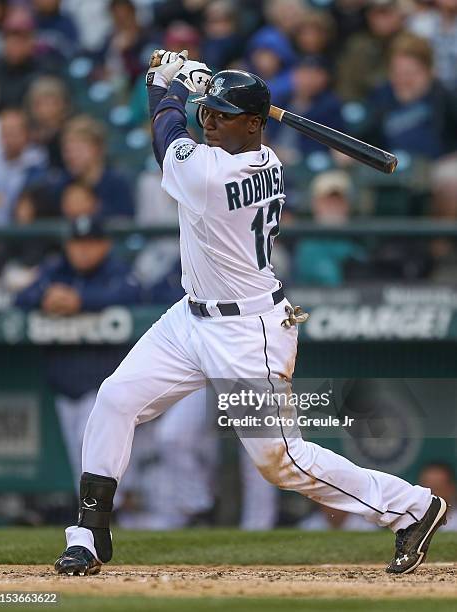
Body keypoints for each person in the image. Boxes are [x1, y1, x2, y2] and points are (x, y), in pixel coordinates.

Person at [54, 50, 447, 577]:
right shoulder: (267, 159)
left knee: (280, 461)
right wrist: (201, 92)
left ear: (256, 124)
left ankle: (414, 507)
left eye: (221, 115)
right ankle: (89, 532)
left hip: (247, 332)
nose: (210, 121)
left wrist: (164, 83)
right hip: (189, 318)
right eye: (208, 114)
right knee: (116, 398)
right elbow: (188, 132)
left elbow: (165, 135)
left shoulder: (213, 175)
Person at [15, 215, 143, 485]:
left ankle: (113, 513)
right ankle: (94, 517)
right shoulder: (57, 271)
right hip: (64, 384)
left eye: (91, 242)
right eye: (76, 242)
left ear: (105, 245)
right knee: (80, 460)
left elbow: (132, 294)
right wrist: (45, 297)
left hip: (102, 382)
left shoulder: (116, 271)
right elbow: (22, 297)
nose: (82, 249)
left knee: (98, 454)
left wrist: (81, 301)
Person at [56, 114, 134, 218]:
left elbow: (125, 223)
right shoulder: (61, 184)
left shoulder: (117, 183)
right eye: (67, 151)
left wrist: (93, 208)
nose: (71, 156)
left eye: (79, 149)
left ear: (98, 149)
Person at [0, 108, 47, 227]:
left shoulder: (38, 165)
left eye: (14, 132)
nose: (9, 138)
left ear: (27, 134)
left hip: (21, 236)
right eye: (5, 132)